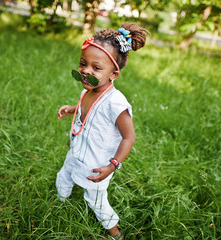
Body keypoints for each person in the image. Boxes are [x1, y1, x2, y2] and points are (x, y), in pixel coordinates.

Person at [56, 22, 150, 239]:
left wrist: (112, 166)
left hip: (97, 163)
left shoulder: (116, 104)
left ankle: (115, 233)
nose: (86, 70)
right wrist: (73, 109)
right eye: (82, 63)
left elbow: (129, 137)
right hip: (77, 152)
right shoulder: (89, 88)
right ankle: (59, 204)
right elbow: (86, 108)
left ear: (113, 74)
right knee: (64, 175)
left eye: (96, 68)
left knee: (96, 201)